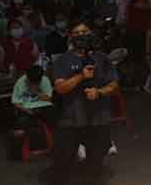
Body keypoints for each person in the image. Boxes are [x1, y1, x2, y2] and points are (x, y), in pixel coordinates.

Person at [51, 20, 118, 185]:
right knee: (63, 163)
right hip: (72, 119)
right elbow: (60, 88)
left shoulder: (101, 58)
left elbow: (114, 84)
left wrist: (99, 92)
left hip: (98, 118)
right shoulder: (63, 60)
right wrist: (80, 77)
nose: (81, 36)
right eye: (77, 33)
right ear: (71, 37)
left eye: (84, 32)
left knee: (95, 165)